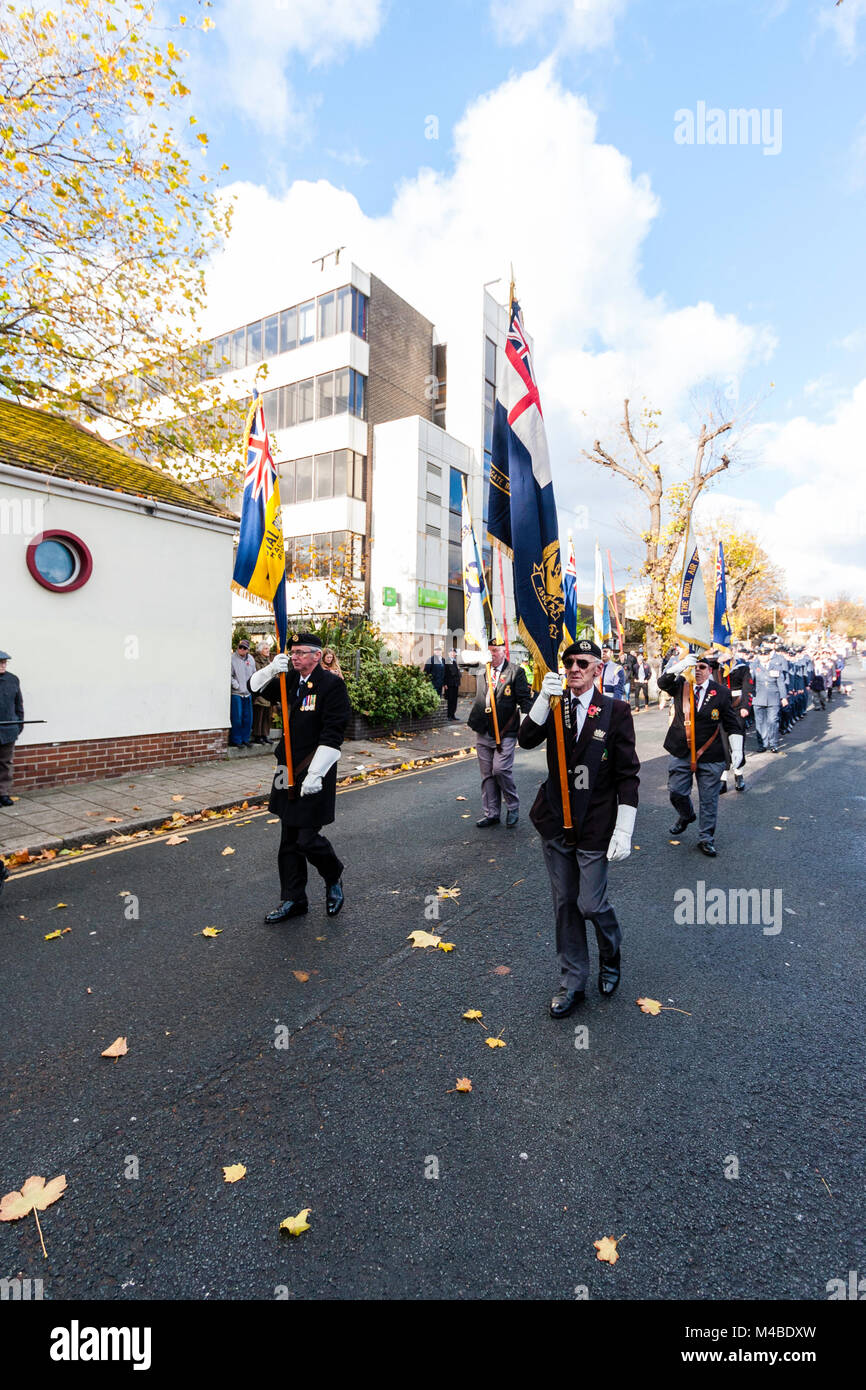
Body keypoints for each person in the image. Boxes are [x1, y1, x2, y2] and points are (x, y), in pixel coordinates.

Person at [518, 638, 640, 1017]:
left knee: (591, 903)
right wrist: (542, 698)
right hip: (556, 820)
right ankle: (572, 982)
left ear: (598, 669)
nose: (573, 668)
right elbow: (525, 740)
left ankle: (611, 951)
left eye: (582, 663)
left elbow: (628, 774)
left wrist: (625, 828)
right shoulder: (555, 704)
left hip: (596, 822)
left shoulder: (615, 711)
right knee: (566, 904)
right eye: (568, 662)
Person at [248, 633, 352, 923]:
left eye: (300, 652)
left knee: (307, 838)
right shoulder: (289, 679)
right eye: (292, 652)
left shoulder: (331, 685)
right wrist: (271, 669)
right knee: (288, 840)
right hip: (285, 769)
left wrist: (317, 773)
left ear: (317, 656)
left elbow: (334, 733)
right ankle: (294, 899)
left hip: (313, 768)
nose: (294, 657)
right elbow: (252, 688)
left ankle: (333, 875)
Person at [657, 651, 742, 857]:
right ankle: (686, 816)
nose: (698, 670)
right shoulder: (680, 686)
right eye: (694, 667)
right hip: (681, 750)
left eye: (702, 667)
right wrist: (680, 665)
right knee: (676, 791)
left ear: (710, 670)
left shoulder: (720, 692)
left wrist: (737, 748)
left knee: (709, 799)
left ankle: (706, 838)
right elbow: (662, 682)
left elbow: (732, 722)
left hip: (711, 754)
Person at [466, 639, 532, 828]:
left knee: (500, 769)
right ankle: (492, 813)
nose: (492, 654)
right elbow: (461, 663)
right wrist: (479, 656)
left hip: (505, 730)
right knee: (487, 774)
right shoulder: (481, 668)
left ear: (504, 652)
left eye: (496, 650)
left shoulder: (515, 672)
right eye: (489, 651)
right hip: (483, 728)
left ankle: (513, 806)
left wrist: (535, 718)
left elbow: (524, 699)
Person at [750, 648, 788, 753]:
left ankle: (773, 744)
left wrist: (783, 697)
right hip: (758, 697)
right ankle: (762, 744)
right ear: (758, 656)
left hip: (773, 698)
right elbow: (750, 682)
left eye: (765, 655)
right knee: (760, 722)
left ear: (769, 656)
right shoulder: (753, 667)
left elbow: (781, 683)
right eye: (761, 655)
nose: (763, 657)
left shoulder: (777, 667)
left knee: (773, 721)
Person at [0, 649, 24, 807]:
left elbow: (18, 704)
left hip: (8, 731)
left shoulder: (12, 680)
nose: (3, 665)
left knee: (5, 763)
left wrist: (18, 724)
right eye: (0, 663)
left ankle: (3, 794)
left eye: (4, 662)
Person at [230, 639, 256, 747]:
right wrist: (237, 686)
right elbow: (229, 675)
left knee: (248, 718)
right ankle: (236, 740)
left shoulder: (251, 659)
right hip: (237, 693)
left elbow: (254, 673)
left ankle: (245, 739)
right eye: (240, 647)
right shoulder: (232, 659)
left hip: (248, 693)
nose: (241, 649)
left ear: (248, 650)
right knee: (237, 718)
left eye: (244, 648)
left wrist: (252, 687)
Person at [251, 641, 273, 745]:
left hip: (269, 691)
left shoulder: (269, 661)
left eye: (268, 648)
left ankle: (265, 735)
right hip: (260, 691)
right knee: (259, 714)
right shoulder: (256, 662)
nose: (268, 650)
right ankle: (257, 735)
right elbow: (259, 675)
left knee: (267, 715)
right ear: (260, 650)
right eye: (265, 649)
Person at [443, 647, 461, 720]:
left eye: (454, 652)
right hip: (449, 684)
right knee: (450, 700)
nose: (453, 653)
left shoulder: (455, 661)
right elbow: (445, 673)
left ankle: (453, 715)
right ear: (448, 653)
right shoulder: (447, 661)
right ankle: (448, 715)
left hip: (455, 684)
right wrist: (445, 684)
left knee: (454, 700)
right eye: (451, 652)